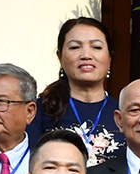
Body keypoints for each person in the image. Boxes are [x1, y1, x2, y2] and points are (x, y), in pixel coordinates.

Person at [32, 17, 123, 164]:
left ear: (110, 58)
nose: (86, 55)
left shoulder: (123, 113)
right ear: (60, 57)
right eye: (75, 47)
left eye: (96, 47)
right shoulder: (40, 110)